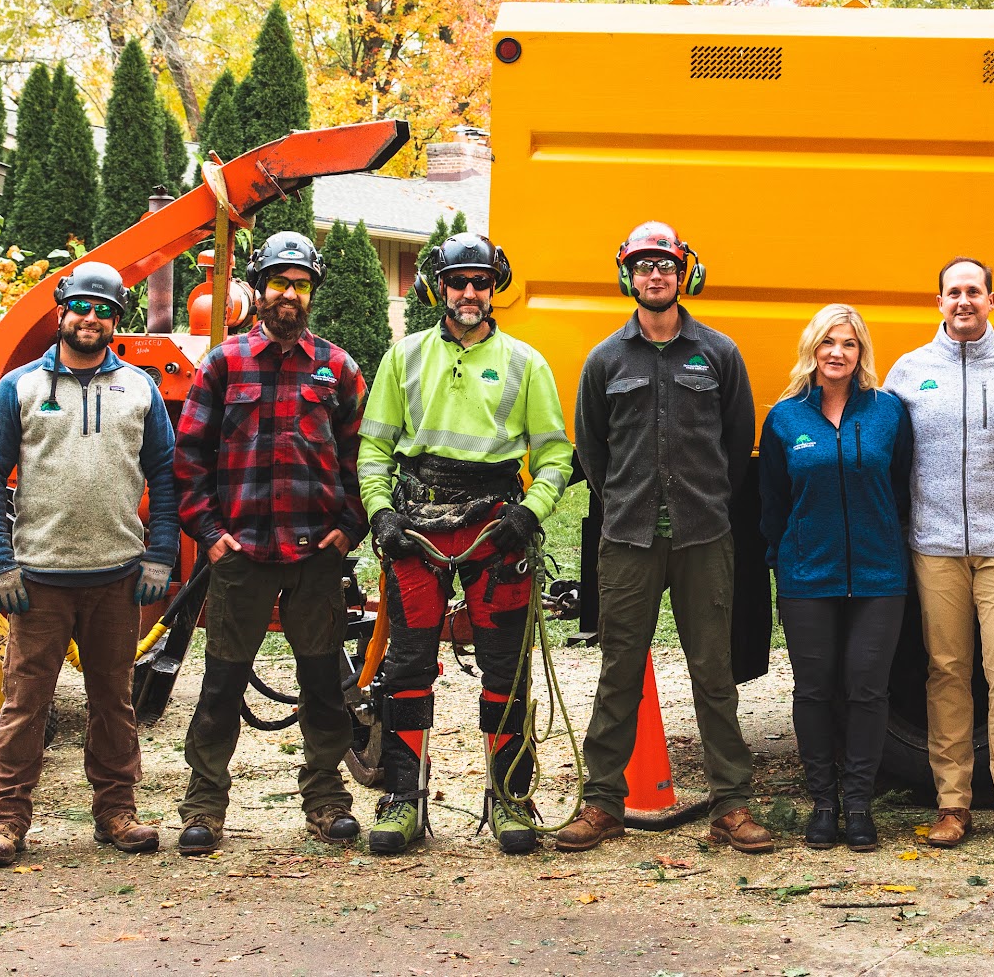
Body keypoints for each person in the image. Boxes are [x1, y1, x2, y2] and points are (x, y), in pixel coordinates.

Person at [358, 232, 575, 855]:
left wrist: (530, 515)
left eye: (481, 282)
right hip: (416, 529)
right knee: (405, 666)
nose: (470, 293)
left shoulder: (526, 363)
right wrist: (380, 513)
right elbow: (375, 447)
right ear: (438, 287)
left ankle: (511, 798)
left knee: (506, 669)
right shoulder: (403, 358)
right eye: (459, 282)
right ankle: (404, 800)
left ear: (494, 287)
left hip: (496, 529)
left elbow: (556, 455)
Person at [558, 222, 770, 854]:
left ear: (684, 274)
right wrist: (628, 499)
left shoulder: (719, 354)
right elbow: (592, 450)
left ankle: (731, 804)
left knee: (714, 670)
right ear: (628, 274)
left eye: (667, 265)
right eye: (644, 266)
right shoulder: (605, 360)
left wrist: (704, 499)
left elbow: (738, 444)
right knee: (620, 669)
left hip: (705, 536)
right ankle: (602, 803)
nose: (656, 275)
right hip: (628, 539)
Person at [0, 262, 178, 868]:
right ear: (62, 311)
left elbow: (165, 477)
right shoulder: (21, 389)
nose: (91, 318)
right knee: (25, 703)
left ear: (117, 319)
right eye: (81, 306)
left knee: (114, 700)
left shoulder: (139, 390)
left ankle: (116, 812)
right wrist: (0, 563)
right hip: (38, 581)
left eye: (104, 310)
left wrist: (160, 553)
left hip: (116, 579)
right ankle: (7, 820)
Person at [173, 231, 368, 855]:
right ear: (258, 290)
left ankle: (327, 797)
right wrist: (209, 533)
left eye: (301, 284)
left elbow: (361, 457)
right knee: (222, 684)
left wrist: (350, 526)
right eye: (280, 283)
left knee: (321, 681)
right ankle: (204, 804)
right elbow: (190, 457)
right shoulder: (225, 364)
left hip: (316, 553)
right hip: (243, 553)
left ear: (312, 293)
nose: (289, 295)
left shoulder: (336, 368)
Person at [884, 257, 994, 854]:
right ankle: (951, 804)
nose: (963, 302)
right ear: (938, 302)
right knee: (946, 672)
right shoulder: (909, 372)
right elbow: (886, 447)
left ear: (991, 300)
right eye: (952, 292)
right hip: (935, 546)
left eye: (973, 292)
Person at [759, 304, 913, 853]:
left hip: (878, 578)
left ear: (861, 351)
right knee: (816, 691)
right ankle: (824, 804)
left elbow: (900, 489)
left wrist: (884, 544)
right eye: (828, 342)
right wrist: (784, 557)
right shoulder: (784, 418)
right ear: (812, 349)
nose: (837, 353)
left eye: (848, 343)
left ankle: (860, 804)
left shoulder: (888, 413)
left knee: (868, 689)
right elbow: (773, 502)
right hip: (807, 577)